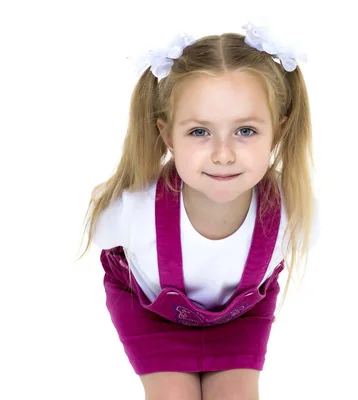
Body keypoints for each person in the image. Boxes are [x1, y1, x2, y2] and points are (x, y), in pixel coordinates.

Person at [78, 21, 319, 399]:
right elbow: (100, 232)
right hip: (152, 313)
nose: (223, 154)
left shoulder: (293, 214)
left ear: (279, 130)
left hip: (239, 317)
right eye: (199, 132)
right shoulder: (133, 213)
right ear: (166, 134)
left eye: (245, 131)